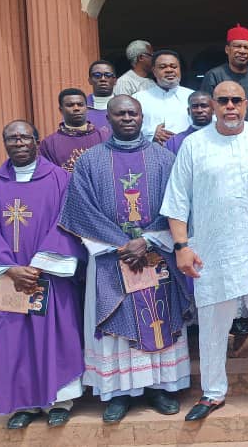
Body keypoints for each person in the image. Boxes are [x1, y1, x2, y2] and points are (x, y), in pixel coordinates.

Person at [161, 81, 248, 420]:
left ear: (246, 104)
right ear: (214, 105)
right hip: (212, 251)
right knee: (213, 325)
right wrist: (181, 247)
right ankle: (213, 391)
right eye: (223, 101)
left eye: (236, 100)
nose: (230, 106)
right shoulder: (193, 145)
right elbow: (177, 201)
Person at [59, 95, 193, 423]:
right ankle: (118, 392)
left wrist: (145, 240)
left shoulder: (163, 159)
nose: (128, 118)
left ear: (142, 116)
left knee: (158, 319)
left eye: (133, 113)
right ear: (108, 118)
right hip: (109, 258)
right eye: (120, 113)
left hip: (155, 254)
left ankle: (159, 387)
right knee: (118, 325)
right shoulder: (90, 161)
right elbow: (79, 210)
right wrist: (122, 243)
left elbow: (178, 205)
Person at [0, 120, 85, 429]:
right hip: (8, 279)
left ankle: (60, 400)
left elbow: (66, 222)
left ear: (37, 141)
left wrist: (39, 265)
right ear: (4, 143)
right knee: (13, 339)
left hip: (48, 276)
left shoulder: (61, 180)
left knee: (54, 336)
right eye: (11, 138)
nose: (18, 142)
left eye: (24, 137)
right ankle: (24, 403)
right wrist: (11, 269)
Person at [199, 24, 248, 123]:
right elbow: (207, 110)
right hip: (223, 133)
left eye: (247, 48)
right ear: (227, 49)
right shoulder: (213, 76)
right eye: (237, 46)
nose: (243, 51)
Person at [39, 88, 109, 172]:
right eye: (70, 105)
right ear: (61, 110)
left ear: (86, 108)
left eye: (80, 104)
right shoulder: (49, 144)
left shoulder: (104, 137)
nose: (76, 108)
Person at [134, 50, 194, 145]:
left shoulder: (192, 97)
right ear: (154, 71)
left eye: (174, 67)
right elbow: (129, 127)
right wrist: (151, 134)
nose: (169, 70)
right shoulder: (138, 98)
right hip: (152, 152)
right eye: (163, 67)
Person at [86, 60, 117, 130]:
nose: (103, 79)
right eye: (97, 75)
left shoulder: (125, 105)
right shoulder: (80, 106)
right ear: (90, 80)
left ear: (115, 80)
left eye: (108, 75)